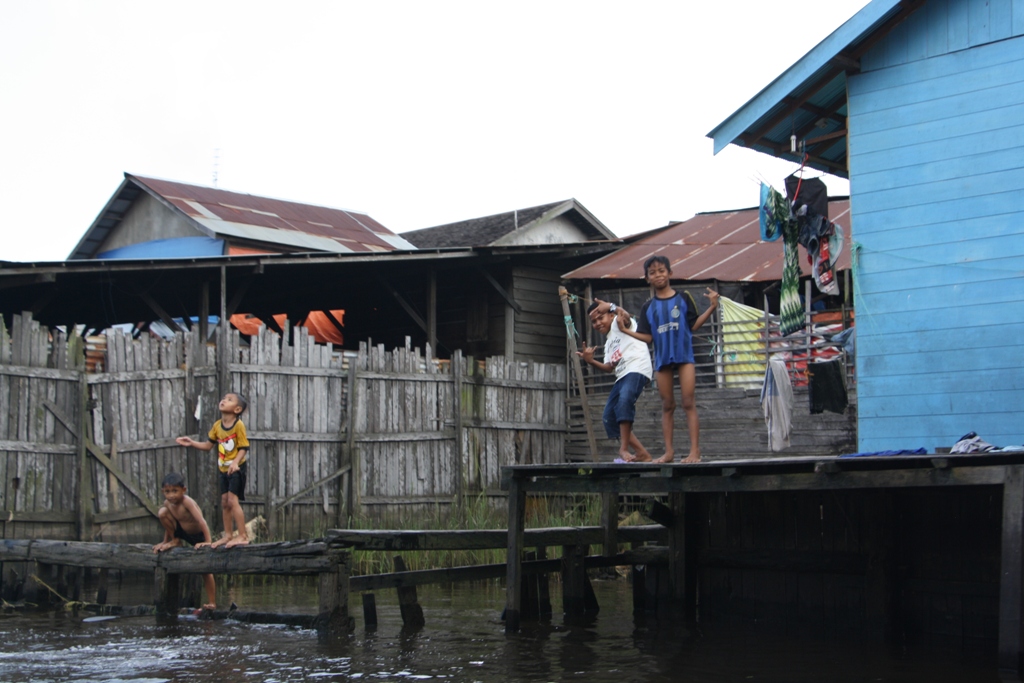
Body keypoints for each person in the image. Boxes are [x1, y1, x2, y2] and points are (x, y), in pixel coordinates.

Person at [595, 256, 719, 463]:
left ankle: (694, 452)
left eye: (661, 270)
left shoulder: (683, 298)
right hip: (662, 360)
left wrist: (712, 307)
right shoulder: (648, 307)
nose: (658, 275)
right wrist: (627, 331)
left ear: (670, 273)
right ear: (647, 279)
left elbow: (694, 325)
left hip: (684, 356)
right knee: (667, 405)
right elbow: (648, 337)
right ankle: (669, 452)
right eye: (652, 273)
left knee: (688, 402)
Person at [577, 302, 654, 462]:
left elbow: (625, 316)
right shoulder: (608, 343)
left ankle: (623, 449)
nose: (598, 323)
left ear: (611, 315)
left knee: (624, 401)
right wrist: (590, 361)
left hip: (636, 368)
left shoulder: (620, 324)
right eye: (594, 321)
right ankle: (642, 453)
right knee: (608, 416)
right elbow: (608, 367)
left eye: (601, 317)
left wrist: (612, 306)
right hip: (622, 376)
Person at [176, 392, 251, 548]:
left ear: (237, 409)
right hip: (223, 469)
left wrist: (235, 463)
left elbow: (244, 448)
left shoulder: (238, 425)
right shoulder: (217, 425)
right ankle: (228, 535)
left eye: (229, 400)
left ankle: (243, 535)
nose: (223, 400)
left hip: (236, 468)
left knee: (232, 500)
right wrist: (191, 443)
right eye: (223, 398)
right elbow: (208, 446)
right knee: (224, 502)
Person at [152, 472, 217, 610]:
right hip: (181, 532)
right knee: (162, 512)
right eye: (167, 492)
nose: (171, 495)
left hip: (197, 534)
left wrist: (208, 542)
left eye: (175, 491)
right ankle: (176, 541)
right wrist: (165, 541)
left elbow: (201, 521)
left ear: (184, 490)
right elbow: (167, 523)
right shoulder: (167, 504)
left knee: (206, 570)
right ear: (163, 491)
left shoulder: (187, 502)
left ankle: (212, 602)